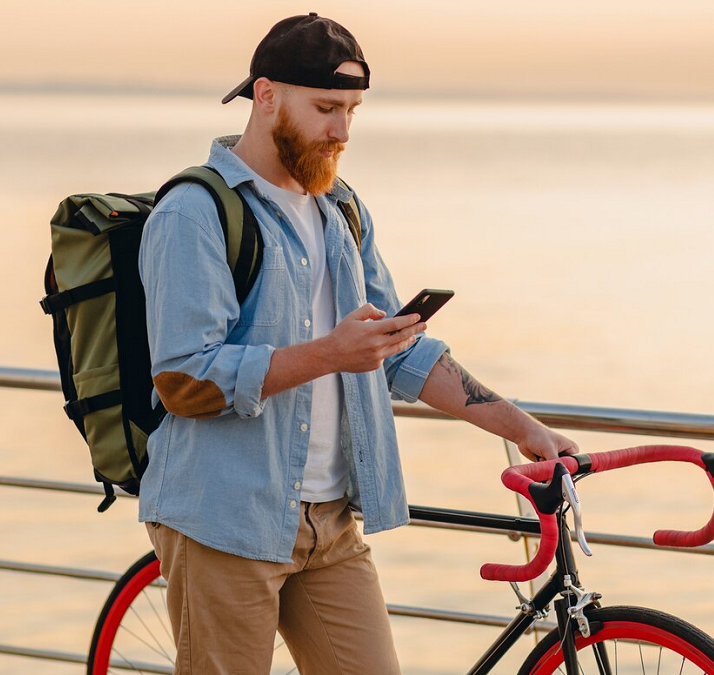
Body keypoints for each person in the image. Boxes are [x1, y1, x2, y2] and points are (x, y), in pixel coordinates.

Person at [138, 13, 580, 674]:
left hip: (330, 524)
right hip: (223, 519)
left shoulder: (339, 208)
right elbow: (183, 379)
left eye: (351, 111)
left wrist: (524, 429)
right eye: (325, 109)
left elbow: (396, 350)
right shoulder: (194, 212)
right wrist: (332, 354)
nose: (342, 131)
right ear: (266, 96)